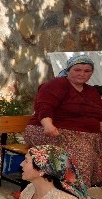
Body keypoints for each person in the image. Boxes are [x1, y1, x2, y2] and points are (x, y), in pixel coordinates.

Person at [24, 55, 102, 187]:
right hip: (50, 130)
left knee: (93, 154)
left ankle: (92, 192)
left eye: (87, 71)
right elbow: (45, 106)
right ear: (69, 70)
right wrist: (48, 124)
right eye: (77, 70)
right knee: (82, 156)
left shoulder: (92, 92)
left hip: (87, 137)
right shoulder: (57, 84)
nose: (82, 74)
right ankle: (74, 194)